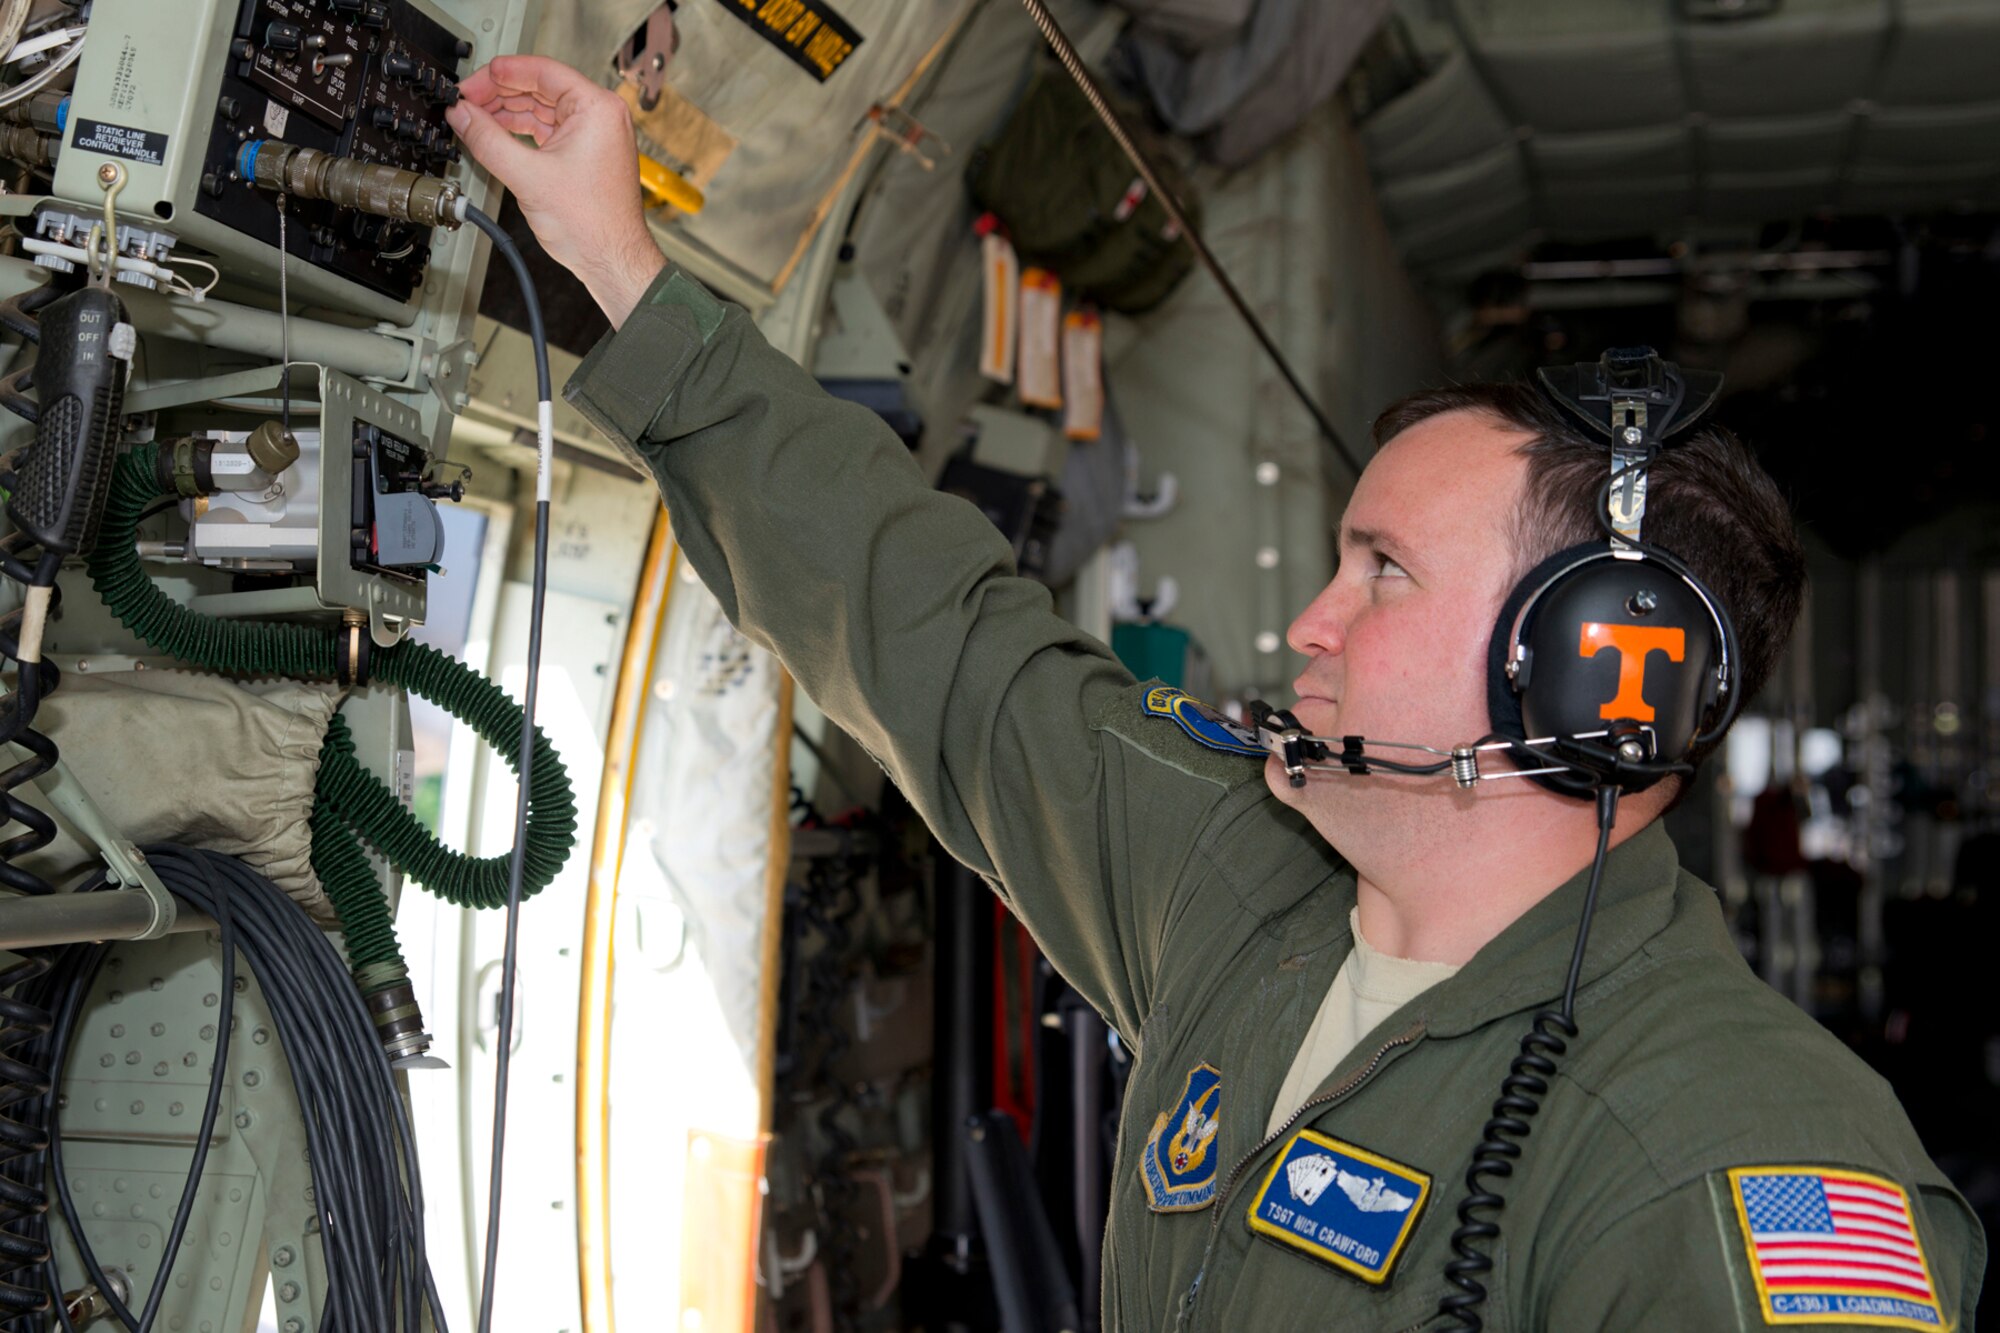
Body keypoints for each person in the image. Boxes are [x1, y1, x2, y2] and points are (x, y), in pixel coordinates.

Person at [446, 56, 1986, 1331]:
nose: (1310, 623)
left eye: (1381, 572)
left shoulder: (1736, 1161)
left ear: (1595, 675)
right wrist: (619, 264)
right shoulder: (1237, 874)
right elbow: (934, 630)